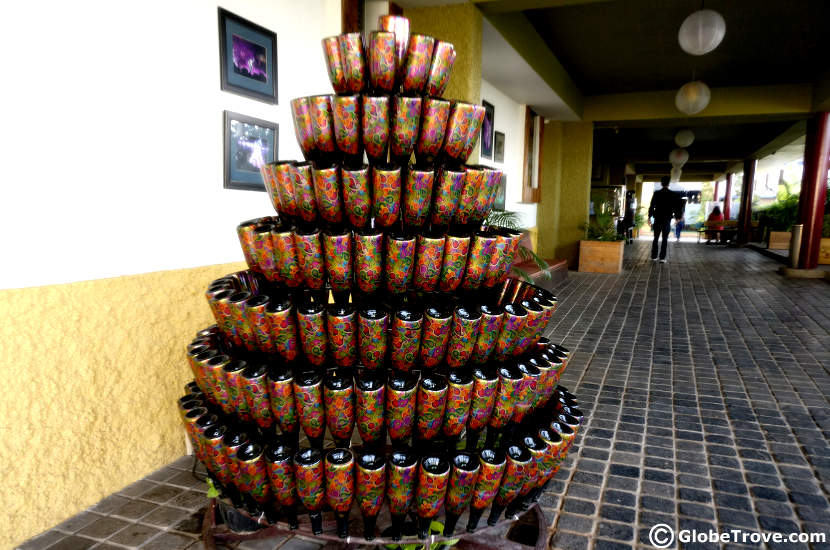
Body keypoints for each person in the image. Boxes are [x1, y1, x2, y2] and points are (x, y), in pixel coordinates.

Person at [648, 177, 682, 262]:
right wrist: (678, 217)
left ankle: (654, 256)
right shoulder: (672, 194)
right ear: (668, 184)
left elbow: (652, 206)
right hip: (667, 219)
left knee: (655, 237)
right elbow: (677, 207)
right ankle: (662, 258)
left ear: (661, 183)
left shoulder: (656, 193)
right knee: (665, 238)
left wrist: (649, 217)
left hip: (657, 219)